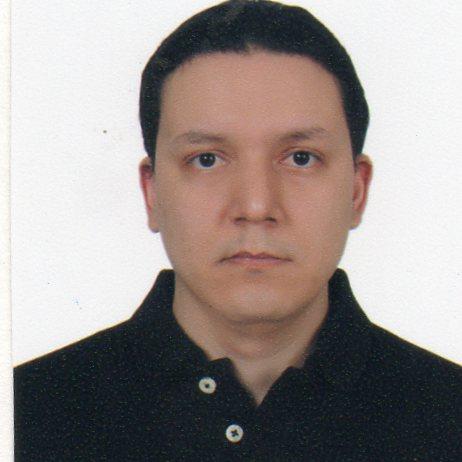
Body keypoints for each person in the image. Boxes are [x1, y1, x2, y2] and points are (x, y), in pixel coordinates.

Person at [14, 1, 462, 460]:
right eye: (207, 159)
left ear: (356, 190)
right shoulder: (25, 414)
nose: (256, 206)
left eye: (301, 158)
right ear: (152, 193)